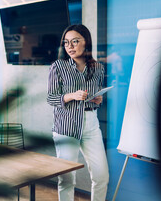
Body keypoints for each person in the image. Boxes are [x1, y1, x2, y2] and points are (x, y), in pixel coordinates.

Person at [47, 24, 109, 201]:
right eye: (66, 43)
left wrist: (98, 100)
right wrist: (71, 96)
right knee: (66, 179)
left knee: (101, 176)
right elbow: (51, 98)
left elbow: (95, 97)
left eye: (75, 41)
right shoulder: (58, 66)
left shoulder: (98, 68)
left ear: (86, 42)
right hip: (66, 127)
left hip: (91, 124)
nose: (70, 47)